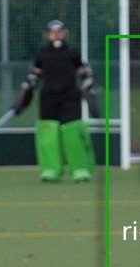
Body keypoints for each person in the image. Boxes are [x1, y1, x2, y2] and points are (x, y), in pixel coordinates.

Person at [11, 19, 98, 181]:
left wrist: (89, 87)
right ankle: (50, 170)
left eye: (59, 32)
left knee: (73, 133)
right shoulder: (42, 54)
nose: (56, 35)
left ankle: (80, 169)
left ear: (64, 34)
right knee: (48, 134)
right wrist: (23, 98)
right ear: (48, 35)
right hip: (48, 98)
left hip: (70, 97)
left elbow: (85, 74)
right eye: (53, 33)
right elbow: (34, 77)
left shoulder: (73, 52)